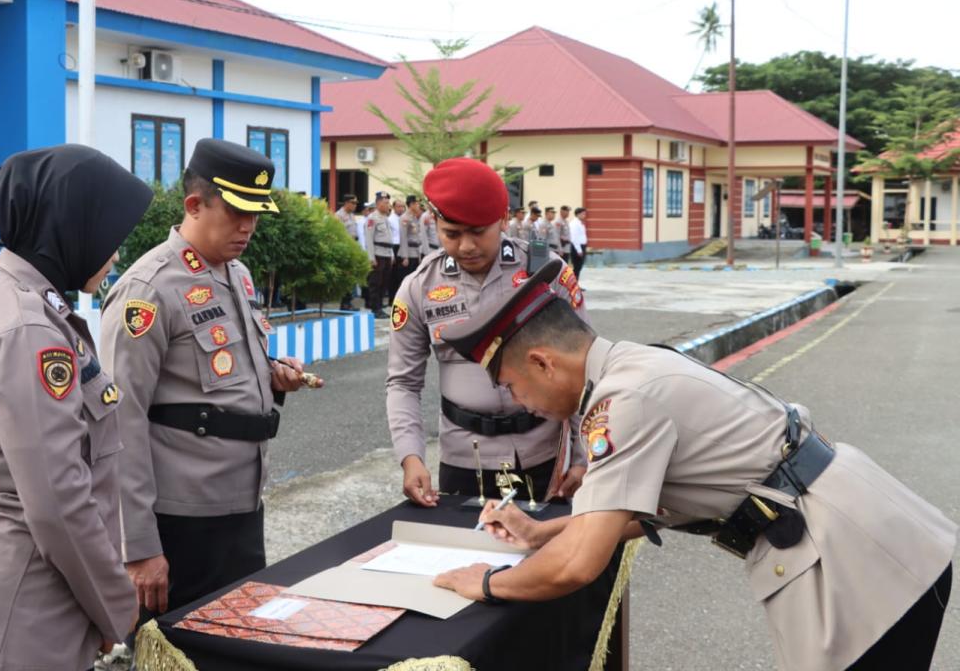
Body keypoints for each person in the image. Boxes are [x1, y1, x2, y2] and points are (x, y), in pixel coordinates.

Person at [435, 260, 956, 671]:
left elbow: (579, 564)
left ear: (542, 361)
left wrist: (485, 582)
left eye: (511, 385)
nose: (519, 402)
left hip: (854, 560)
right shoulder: (634, 363)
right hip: (859, 532)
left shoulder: (622, 402)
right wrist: (542, 533)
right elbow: (628, 511)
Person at [0, 145, 152, 671]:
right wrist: (117, 605)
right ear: (71, 224)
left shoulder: (17, 292)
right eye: (110, 235)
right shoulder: (30, 330)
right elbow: (58, 503)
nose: (116, 254)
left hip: (11, 607)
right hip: (16, 621)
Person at [100, 139, 313, 625]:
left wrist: (274, 376)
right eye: (237, 212)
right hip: (181, 520)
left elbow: (218, 373)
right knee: (178, 652)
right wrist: (138, 546)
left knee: (239, 642)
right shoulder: (148, 289)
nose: (249, 227)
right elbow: (119, 422)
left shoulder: (235, 273)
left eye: (256, 214)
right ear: (194, 205)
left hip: (241, 503)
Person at [386, 158, 588, 510]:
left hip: (543, 456)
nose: (466, 246)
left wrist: (583, 454)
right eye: (451, 233)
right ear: (435, 223)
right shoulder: (418, 287)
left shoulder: (546, 271)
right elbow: (403, 383)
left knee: (545, 559)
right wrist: (410, 456)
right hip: (464, 459)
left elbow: (583, 368)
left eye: (478, 231)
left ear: (504, 220)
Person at [364, 192, 395, 318]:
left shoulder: (386, 218)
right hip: (377, 254)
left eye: (388, 203)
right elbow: (369, 239)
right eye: (385, 203)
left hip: (387, 254)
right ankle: (375, 309)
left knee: (384, 283)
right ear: (378, 204)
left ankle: (380, 307)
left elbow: (389, 239)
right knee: (375, 283)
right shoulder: (372, 218)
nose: (388, 205)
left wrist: (392, 254)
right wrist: (371, 257)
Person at [335, 194, 360, 310]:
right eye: (353, 203)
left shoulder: (352, 216)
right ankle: (344, 303)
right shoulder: (338, 216)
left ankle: (349, 302)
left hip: (353, 247)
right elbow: (338, 234)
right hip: (344, 248)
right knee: (346, 276)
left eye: (356, 203)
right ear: (346, 203)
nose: (355, 205)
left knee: (351, 277)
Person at [398, 195, 424, 280]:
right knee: (407, 280)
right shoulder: (405, 218)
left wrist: (419, 255)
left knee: (414, 279)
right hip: (409, 253)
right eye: (417, 204)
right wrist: (405, 256)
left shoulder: (415, 218)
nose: (418, 206)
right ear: (411, 204)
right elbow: (403, 237)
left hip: (416, 253)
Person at [568, 206, 588, 280]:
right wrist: (579, 250)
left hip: (581, 246)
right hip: (577, 247)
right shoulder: (574, 223)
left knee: (579, 267)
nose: (584, 216)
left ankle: (576, 284)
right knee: (577, 267)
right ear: (578, 214)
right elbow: (574, 238)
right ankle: (574, 284)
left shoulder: (580, 223)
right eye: (583, 214)